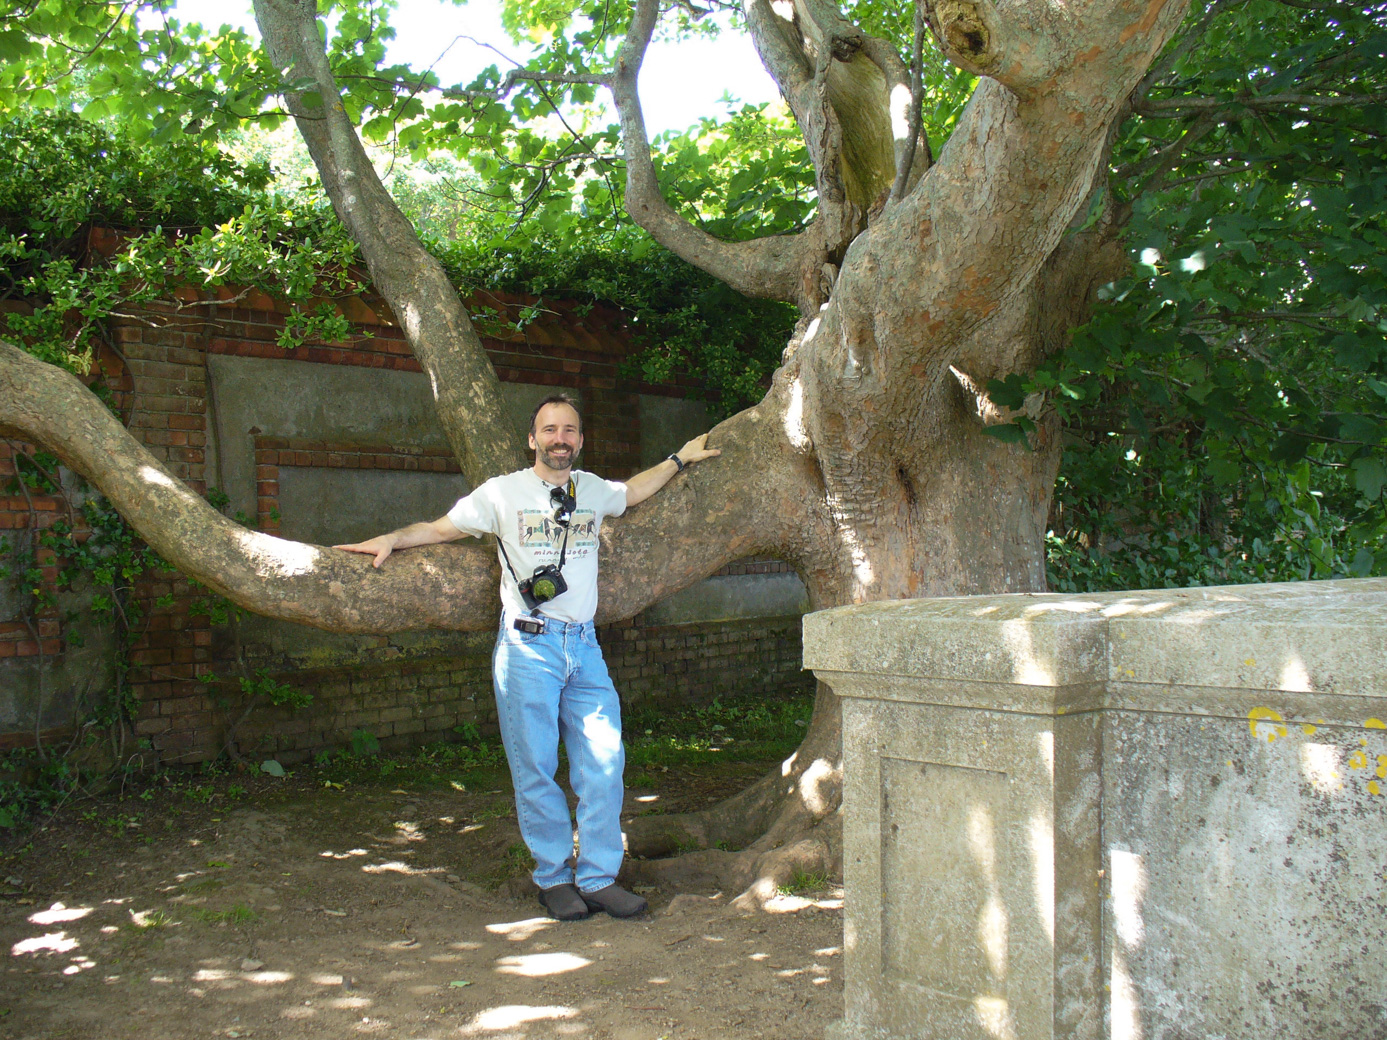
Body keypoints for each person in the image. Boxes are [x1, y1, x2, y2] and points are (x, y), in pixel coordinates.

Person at [335, 394, 720, 920]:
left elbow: (633, 491)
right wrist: (393, 539)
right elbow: (442, 528)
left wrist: (679, 458)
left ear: (580, 441)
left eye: (569, 430)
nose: (559, 438)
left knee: (605, 762)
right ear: (533, 438)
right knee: (536, 766)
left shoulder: (591, 490)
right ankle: (554, 878)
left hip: (584, 646)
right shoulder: (502, 493)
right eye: (549, 429)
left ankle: (600, 877)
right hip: (527, 645)